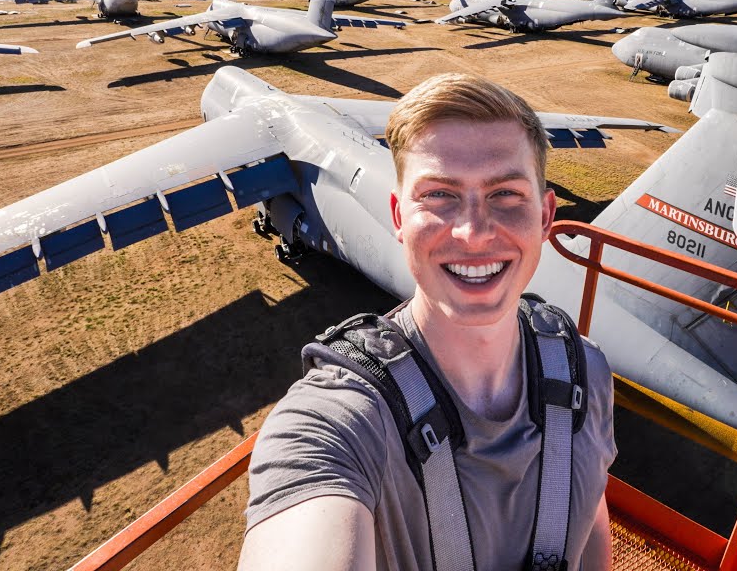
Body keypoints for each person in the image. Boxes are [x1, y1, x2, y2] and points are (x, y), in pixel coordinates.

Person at [239, 74, 617, 571]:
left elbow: (587, 519)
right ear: (398, 216)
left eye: (506, 193)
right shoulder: (337, 425)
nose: (473, 232)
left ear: (546, 217)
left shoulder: (585, 373)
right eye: (439, 195)